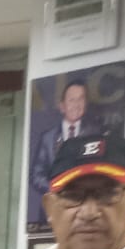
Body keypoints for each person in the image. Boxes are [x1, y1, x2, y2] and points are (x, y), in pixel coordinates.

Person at [30, 81, 95, 212]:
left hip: (85, 210)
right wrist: (58, 190)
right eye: (72, 100)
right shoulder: (48, 138)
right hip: (53, 210)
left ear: (85, 104)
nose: (76, 104)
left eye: (80, 99)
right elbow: (36, 175)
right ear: (62, 106)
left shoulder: (95, 134)